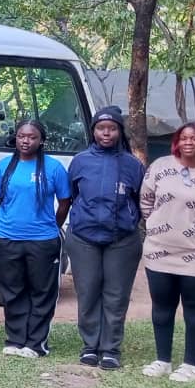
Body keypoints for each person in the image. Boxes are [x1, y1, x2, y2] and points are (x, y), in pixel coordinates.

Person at [140, 121, 195, 383]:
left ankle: (191, 366)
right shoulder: (159, 167)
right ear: (177, 142)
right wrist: (159, 225)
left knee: (194, 308)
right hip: (160, 251)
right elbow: (146, 200)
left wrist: (193, 227)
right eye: (183, 138)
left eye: (194, 138)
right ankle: (163, 361)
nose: (188, 143)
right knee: (162, 307)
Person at [66, 106, 145, 369]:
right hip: (84, 238)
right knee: (88, 292)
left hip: (122, 240)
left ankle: (110, 349)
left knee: (116, 295)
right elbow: (73, 194)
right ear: (93, 131)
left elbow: (140, 200)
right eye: (101, 128)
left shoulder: (133, 164)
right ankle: (90, 346)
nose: (106, 133)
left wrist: (128, 221)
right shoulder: (80, 161)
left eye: (112, 128)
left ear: (120, 132)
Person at [0, 119, 71, 358]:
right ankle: (15, 340)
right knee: (12, 291)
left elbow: (65, 202)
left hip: (42, 241)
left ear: (41, 140)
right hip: (7, 238)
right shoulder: (4, 166)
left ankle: (36, 344)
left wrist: (53, 226)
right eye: (21, 136)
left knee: (41, 292)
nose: (25, 141)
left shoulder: (54, 167)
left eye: (32, 137)